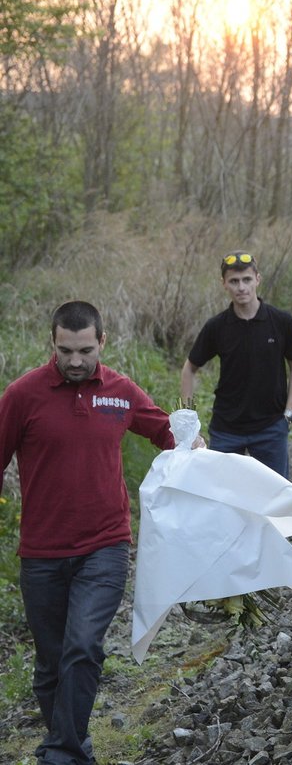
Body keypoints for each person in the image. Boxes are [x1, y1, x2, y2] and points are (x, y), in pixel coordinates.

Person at [0, 300, 202, 765]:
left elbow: (165, 432)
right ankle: (71, 744)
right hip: (41, 552)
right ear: (52, 342)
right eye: (65, 350)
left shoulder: (119, 391)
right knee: (51, 662)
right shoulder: (22, 395)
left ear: (102, 342)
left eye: (85, 350)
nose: (75, 361)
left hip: (105, 546)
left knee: (83, 647)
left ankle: (63, 753)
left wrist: (193, 447)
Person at [180, 251, 292, 478]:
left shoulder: (281, 321)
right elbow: (189, 368)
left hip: (271, 428)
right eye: (234, 281)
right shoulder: (217, 327)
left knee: (276, 499)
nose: (241, 287)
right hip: (227, 429)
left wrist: (290, 411)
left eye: (247, 279)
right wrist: (188, 419)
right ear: (224, 284)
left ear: (258, 279)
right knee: (222, 499)